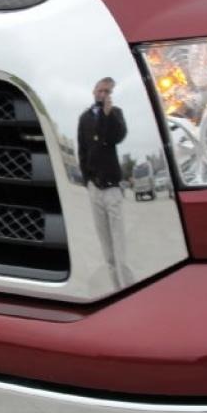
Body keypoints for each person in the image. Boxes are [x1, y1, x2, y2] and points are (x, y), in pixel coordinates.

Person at [78, 77, 133, 286]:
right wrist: (86, 180)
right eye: (100, 90)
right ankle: (115, 286)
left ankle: (128, 286)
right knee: (105, 242)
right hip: (94, 186)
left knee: (119, 241)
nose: (103, 94)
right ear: (94, 90)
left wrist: (107, 115)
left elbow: (116, 137)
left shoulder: (115, 113)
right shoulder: (84, 118)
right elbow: (82, 149)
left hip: (111, 187)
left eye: (107, 92)